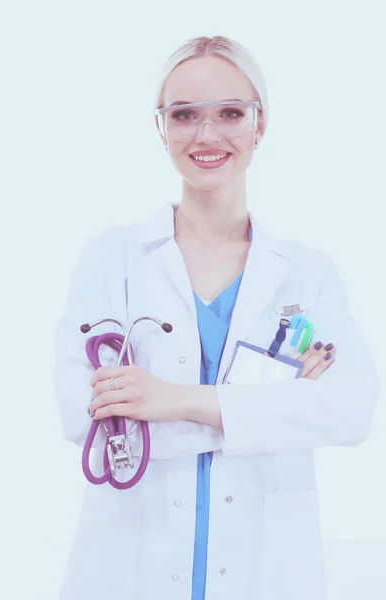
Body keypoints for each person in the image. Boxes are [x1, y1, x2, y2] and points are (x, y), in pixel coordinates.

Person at [54, 35, 381, 600]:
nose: (207, 135)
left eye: (230, 112)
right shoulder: (113, 260)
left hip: (267, 570)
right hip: (129, 569)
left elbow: (351, 412)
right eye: (184, 115)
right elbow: (83, 421)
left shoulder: (308, 274)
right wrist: (277, 412)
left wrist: (170, 400)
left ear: (260, 125)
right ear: (161, 129)